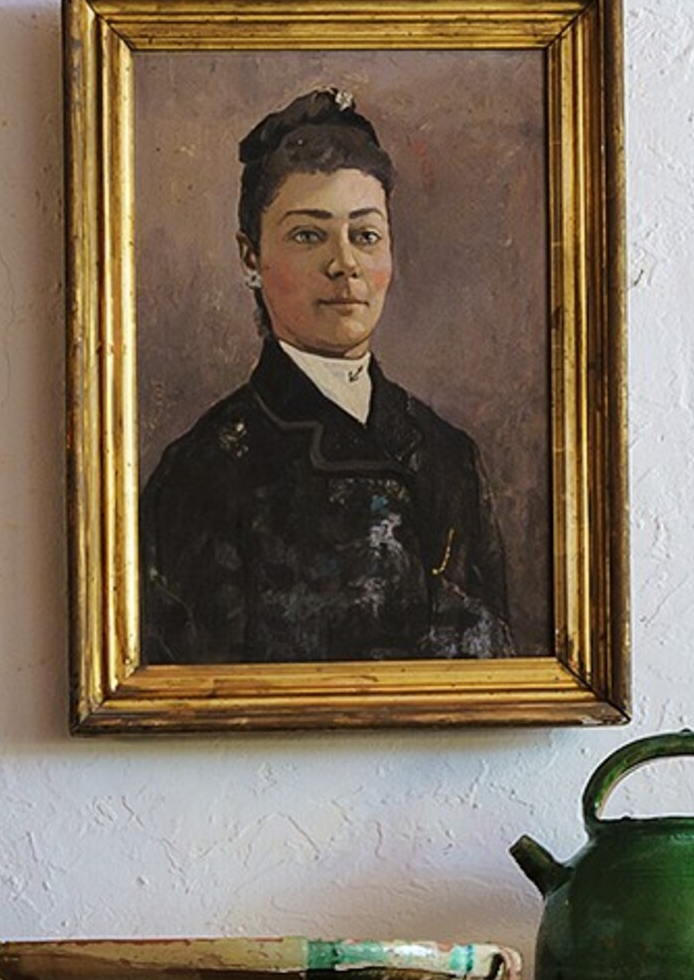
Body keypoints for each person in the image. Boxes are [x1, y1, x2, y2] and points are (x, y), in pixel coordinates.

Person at [140, 88, 512, 666]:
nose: (345, 265)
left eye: (365, 235)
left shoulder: (448, 455)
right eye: (309, 235)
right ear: (249, 259)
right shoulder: (204, 472)